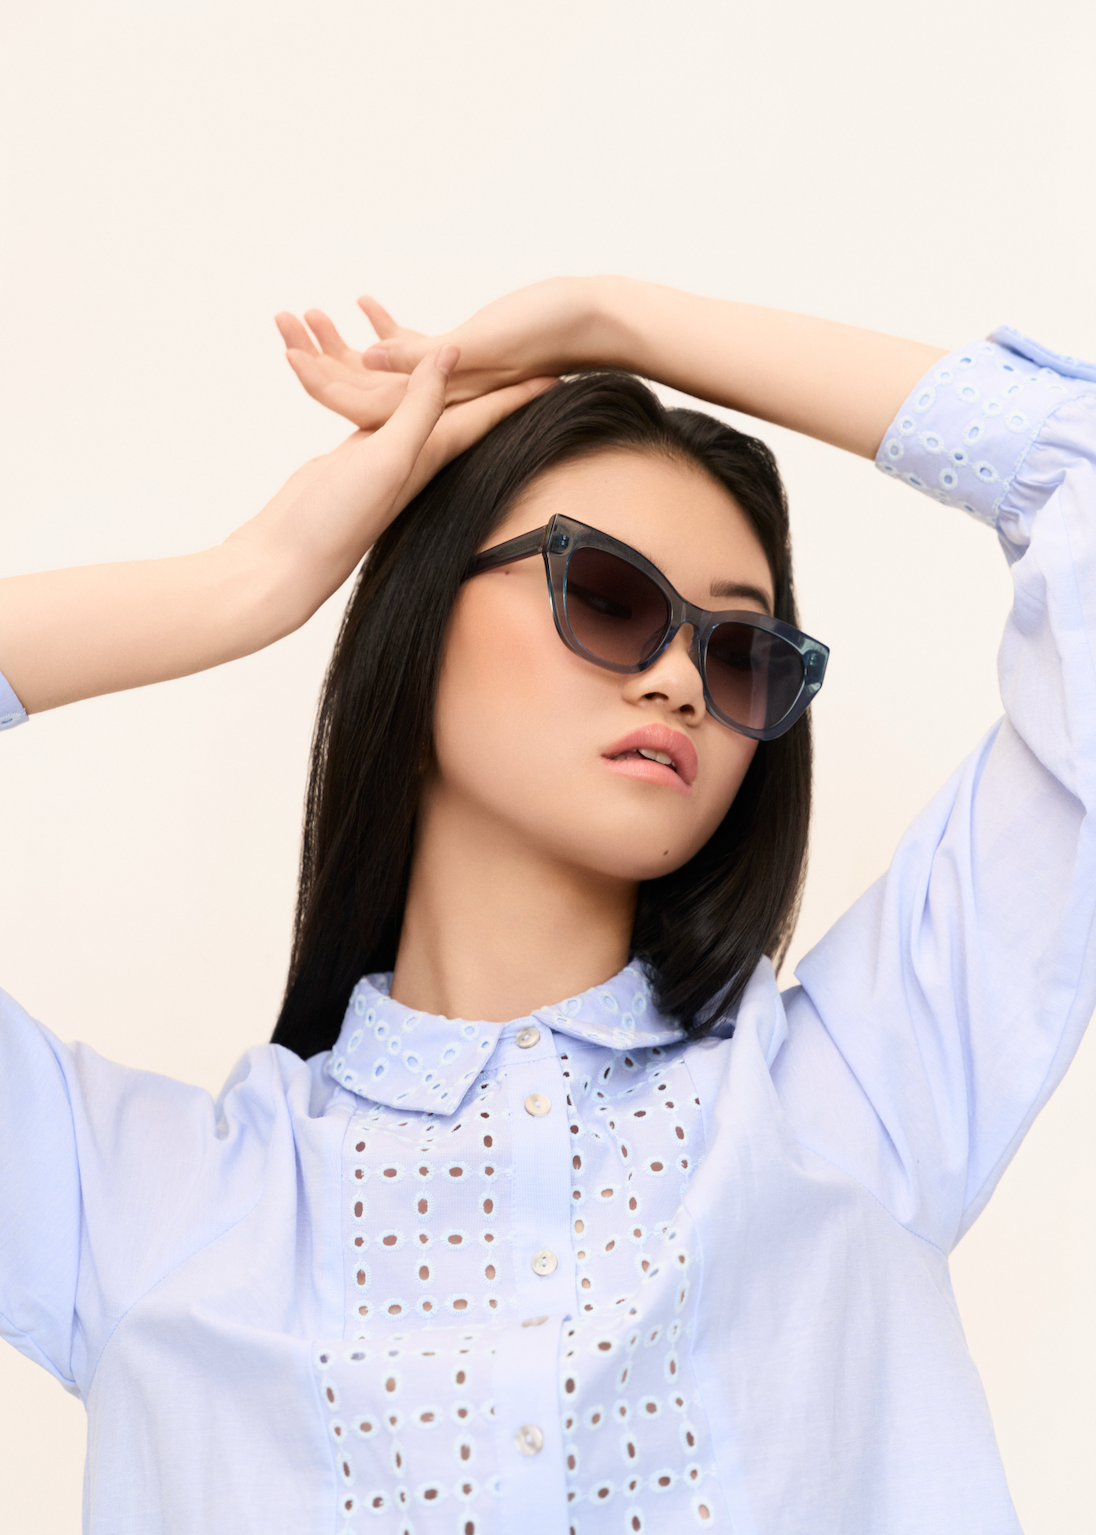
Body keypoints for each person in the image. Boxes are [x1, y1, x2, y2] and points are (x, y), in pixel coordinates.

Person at [1, 276, 1093, 1535]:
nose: (680, 678)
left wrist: (608, 321)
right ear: (421, 624)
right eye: (609, 597)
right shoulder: (141, 1209)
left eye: (739, 652)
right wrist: (253, 579)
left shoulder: (862, 1102)